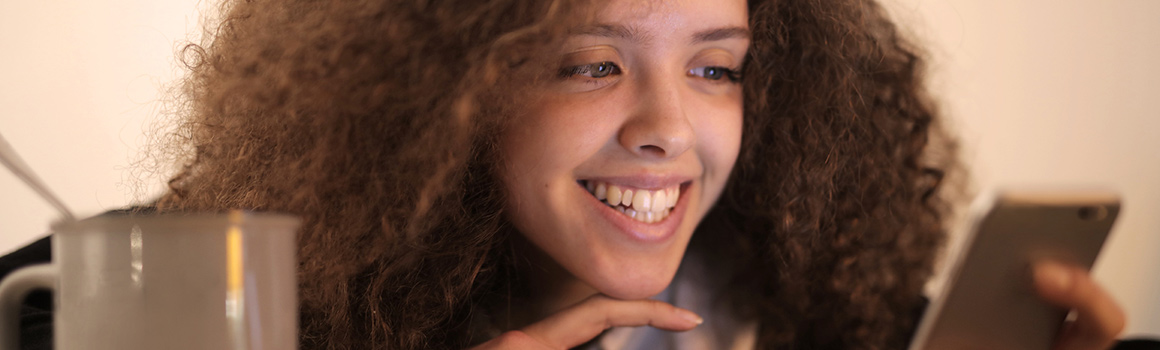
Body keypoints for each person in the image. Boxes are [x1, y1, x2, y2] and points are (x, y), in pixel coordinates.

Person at [1, 0, 1127, 349]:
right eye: (590, 64)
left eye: (717, 69)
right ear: (441, 85)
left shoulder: (809, 315)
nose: (669, 130)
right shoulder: (193, 284)